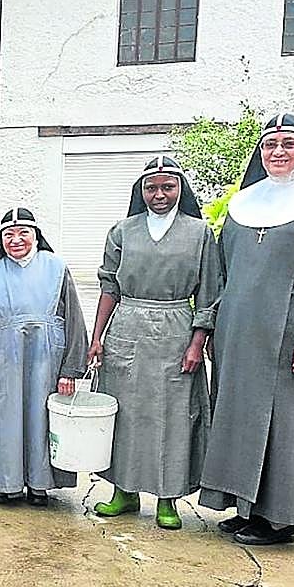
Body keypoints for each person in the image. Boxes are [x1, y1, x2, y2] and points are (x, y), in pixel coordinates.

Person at [200, 113, 294, 546]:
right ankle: (246, 505)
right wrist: (212, 326)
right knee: (239, 416)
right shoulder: (243, 205)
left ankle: (280, 520)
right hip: (239, 328)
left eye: (288, 144)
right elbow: (222, 271)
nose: (278, 152)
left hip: (289, 325)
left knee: (285, 422)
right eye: (270, 145)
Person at [88, 156, 221, 529]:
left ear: (181, 189)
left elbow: (210, 293)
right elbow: (109, 287)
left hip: (176, 327)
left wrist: (197, 343)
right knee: (124, 413)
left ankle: (168, 497)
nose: (159, 194)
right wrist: (97, 337)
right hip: (127, 326)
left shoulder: (199, 233)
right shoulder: (123, 231)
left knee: (173, 416)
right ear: (140, 191)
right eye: (151, 187)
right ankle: (123, 492)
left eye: (167, 186)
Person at [0, 207, 88, 505]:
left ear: (35, 235)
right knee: (2, 418)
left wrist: (70, 370)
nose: (16, 240)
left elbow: (74, 319)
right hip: (0, 360)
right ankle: (2, 484)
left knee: (40, 418)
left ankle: (39, 485)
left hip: (46, 359)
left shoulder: (56, 267)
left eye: (23, 233)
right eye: (8, 235)